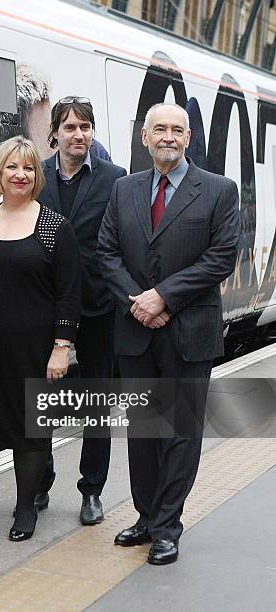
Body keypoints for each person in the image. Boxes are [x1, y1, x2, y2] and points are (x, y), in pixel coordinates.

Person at [97, 103, 239, 564]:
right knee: (142, 430)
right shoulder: (124, 190)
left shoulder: (218, 190)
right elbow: (107, 253)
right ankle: (146, 515)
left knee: (178, 432)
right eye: (160, 129)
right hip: (137, 329)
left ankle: (167, 526)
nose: (168, 137)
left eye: (177, 130)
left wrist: (163, 297)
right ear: (144, 137)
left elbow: (221, 258)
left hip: (189, 330)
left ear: (189, 138)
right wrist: (139, 303)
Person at [0, 136, 81, 541]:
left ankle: (26, 508)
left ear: (36, 175)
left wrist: (62, 347)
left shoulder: (53, 226)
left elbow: (69, 292)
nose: (20, 175)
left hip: (33, 348)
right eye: (12, 167)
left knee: (30, 430)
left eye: (28, 168)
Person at [37, 97, 126, 525]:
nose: (78, 135)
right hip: (44, 302)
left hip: (98, 305)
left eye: (85, 127)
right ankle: (39, 478)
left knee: (95, 400)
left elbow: (123, 240)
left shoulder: (115, 179)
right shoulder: (34, 175)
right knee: (40, 395)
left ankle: (92, 490)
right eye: (70, 127)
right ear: (54, 132)